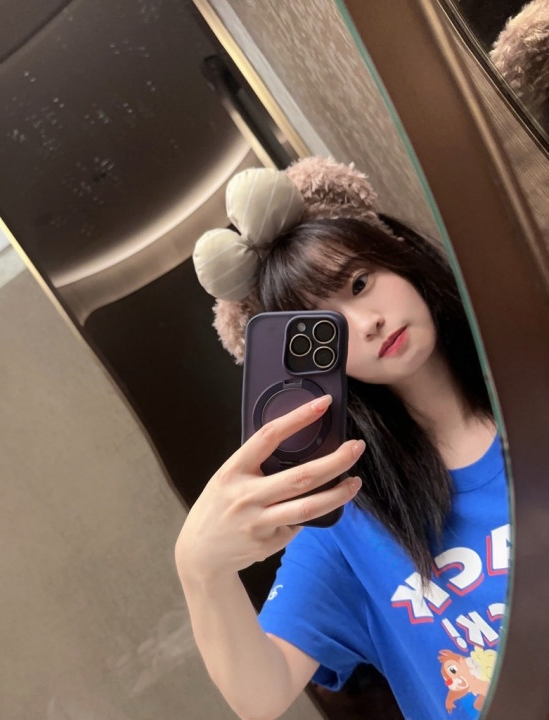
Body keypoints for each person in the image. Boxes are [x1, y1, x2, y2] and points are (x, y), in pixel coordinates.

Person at [175, 157, 510, 720]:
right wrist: (199, 571)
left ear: (397, 255)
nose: (366, 323)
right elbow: (260, 694)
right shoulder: (345, 514)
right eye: (327, 329)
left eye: (359, 282)